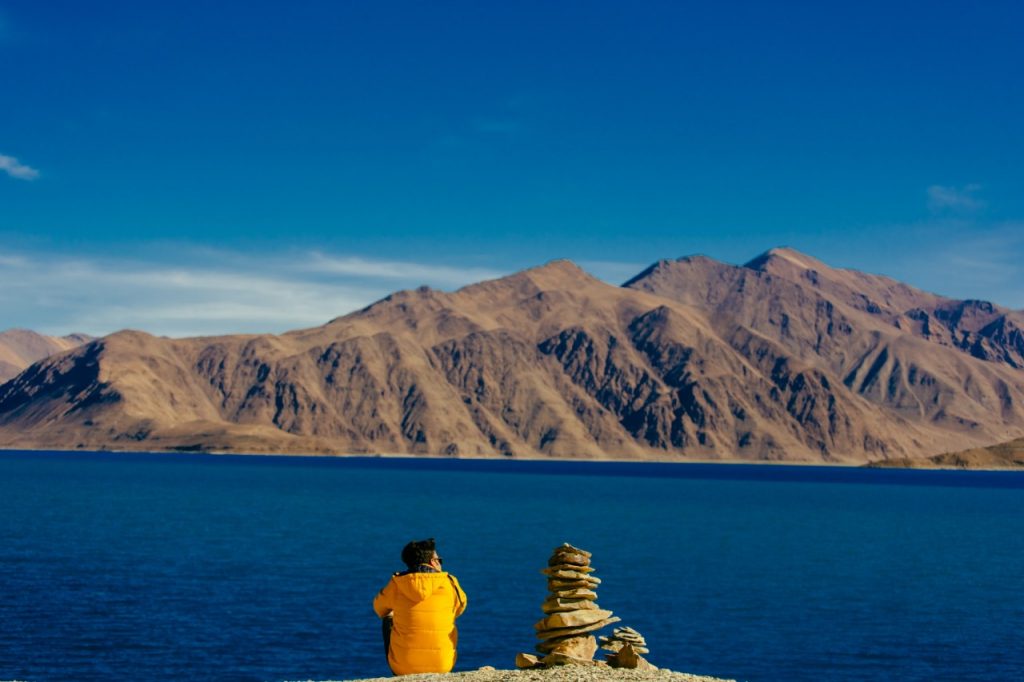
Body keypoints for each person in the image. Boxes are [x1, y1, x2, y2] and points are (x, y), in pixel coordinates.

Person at [373, 538, 467, 676]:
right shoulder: (450, 583)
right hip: (443, 665)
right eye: (439, 560)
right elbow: (460, 608)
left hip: (403, 668)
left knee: (388, 617)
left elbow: (379, 609)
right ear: (433, 562)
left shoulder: (396, 584)